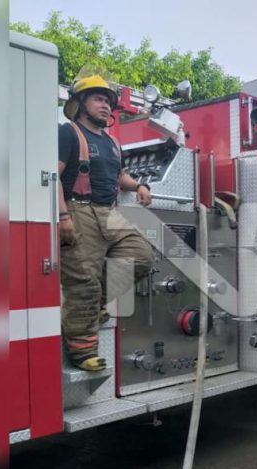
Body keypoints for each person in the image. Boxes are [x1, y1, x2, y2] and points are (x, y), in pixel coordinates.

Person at [58, 73, 154, 371]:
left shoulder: (112, 143)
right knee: (82, 280)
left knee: (141, 256)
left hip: (107, 212)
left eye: (108, 102)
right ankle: (82, 352)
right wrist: (62, 216)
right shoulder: (68, 133)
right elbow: (52, 176)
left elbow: (118, 176)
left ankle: (96, 304)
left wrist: (138, 186)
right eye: (99, 99)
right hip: (78, 209)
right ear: (80, 103)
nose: (106, 106)